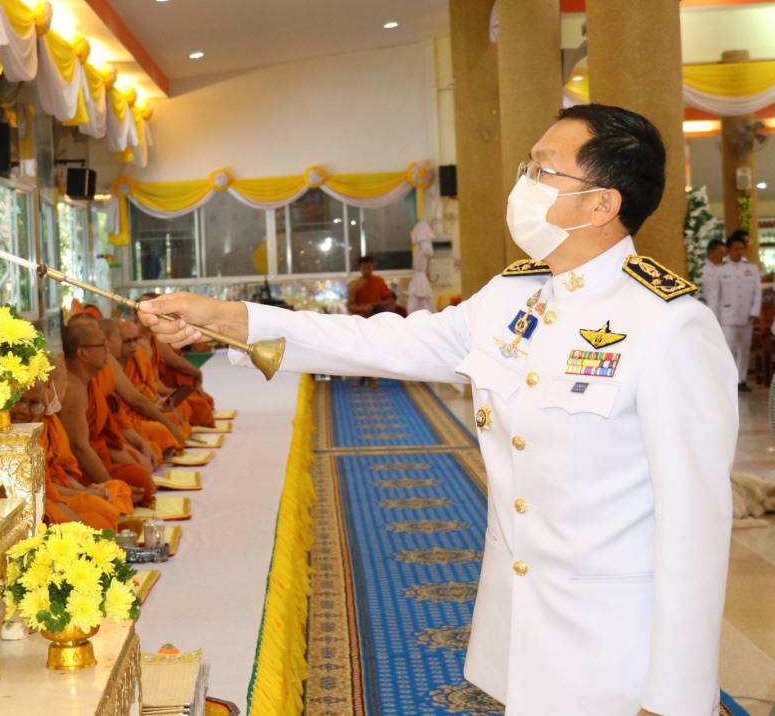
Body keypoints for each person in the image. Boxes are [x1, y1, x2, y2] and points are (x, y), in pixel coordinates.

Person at [140, 104, 737, 716]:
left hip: (616, 650)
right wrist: (230, 320)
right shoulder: (513, 296)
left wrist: (675, 700)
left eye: (542, 170)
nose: (522, 185)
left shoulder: (667, 326)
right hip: (521, 632)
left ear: (601, 205)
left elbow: (697, 527)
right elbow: (382, 342)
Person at [12, 367, 132, 530]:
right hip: (35, 505)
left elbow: (61, 472)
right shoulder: (3, 434)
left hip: (57, 495)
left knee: (118, 491)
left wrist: (84, 490)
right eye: (18, 401)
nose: (24, 410)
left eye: (33, 403)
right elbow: (42, 489)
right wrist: (82, 497)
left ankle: (117, 523)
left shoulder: (43, 423)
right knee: (101, 521)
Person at [60, 316, 156, 506]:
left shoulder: (88, 383)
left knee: (140, 479)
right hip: (76, 472)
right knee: (137, 484)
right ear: (83, 353)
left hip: (98, 458)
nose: (108, 352)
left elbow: (108, 432)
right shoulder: (73, 390)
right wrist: (110, 488)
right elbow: (79, 448)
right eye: (101, 346)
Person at [98, 318, 186, 454]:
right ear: (108, 339)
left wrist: (158, 402)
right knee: (161, 430)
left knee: (173, 414)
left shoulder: (142, 350)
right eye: (125, 340)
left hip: (130, 416)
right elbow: (134, 400)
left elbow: (151, 386)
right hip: (119, 425)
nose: (133, 345)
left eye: (136, 339)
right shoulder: (107, 361)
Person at [136, 293, 217, 426]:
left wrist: (196, 374)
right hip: (147, 396)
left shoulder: (154, 336)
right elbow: (146, 387)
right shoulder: (138, 342)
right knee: (191, 405)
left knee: (198, 399)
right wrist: (169, 394)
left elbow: (174, 361)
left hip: (157, 391)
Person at [709, 232, 762, 392]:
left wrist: (755, 311)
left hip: (747, 316)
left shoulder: (751, 269)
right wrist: (714, 318)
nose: (739, 252)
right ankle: (729, 380)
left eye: (742, 249)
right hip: (727, 317)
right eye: (735, 248)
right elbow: (714, 296)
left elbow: (757, 292)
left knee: (744, 349)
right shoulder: (720, 270)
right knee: (728, 349)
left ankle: (742, 380)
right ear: (729, 250)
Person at [697, 238, 726, 304]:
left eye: (724, 253)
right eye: (721, 252)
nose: (723, 256)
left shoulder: (725, 268)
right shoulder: (700, 268)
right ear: (710, 251)